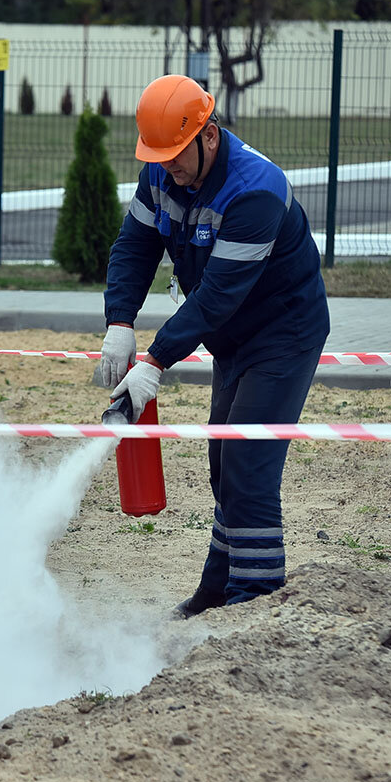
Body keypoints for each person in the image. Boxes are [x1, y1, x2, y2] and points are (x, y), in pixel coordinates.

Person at [96, 74, 330, 619]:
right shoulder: (160, 174)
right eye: (159, 155)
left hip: (283, 335)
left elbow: (218, 296)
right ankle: (218, 590)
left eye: (177, 152)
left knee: (248, 462)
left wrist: (155, 360)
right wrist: (120, 323)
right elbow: (134, 247)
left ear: (208, 135)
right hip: (232, 338)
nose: (168, 165)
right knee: (223, 459)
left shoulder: (255, 191)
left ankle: (256, 601)